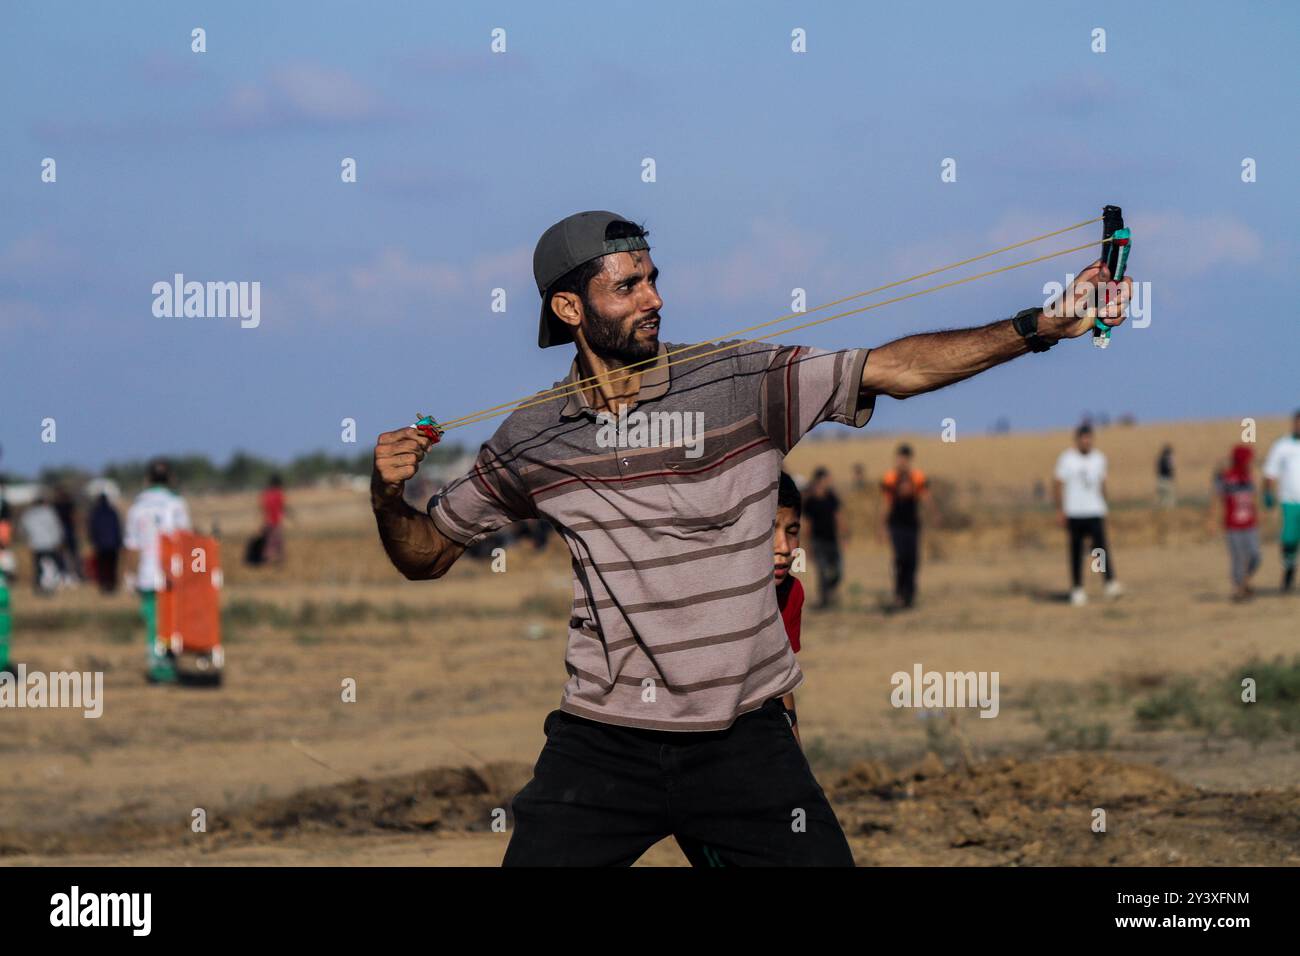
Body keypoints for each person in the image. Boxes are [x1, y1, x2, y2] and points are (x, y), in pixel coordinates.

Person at [370, 209, 1131, 867]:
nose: (654, 298)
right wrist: (386, 494)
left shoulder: (741, 380)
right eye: (628, 286)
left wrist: (1040, 327)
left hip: (743, 737)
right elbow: (425, 554)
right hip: (602, 743)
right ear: (570, 308)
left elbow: (895, 370)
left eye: (654, 278)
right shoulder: (535, 436)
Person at [124, 459, 191, 683]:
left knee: (154, 624)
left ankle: (158, 667)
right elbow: (186, 540)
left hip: (147, 574)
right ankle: (167, 668)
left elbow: (131, 546)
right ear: (170, 478)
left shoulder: (137, 509)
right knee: (172, 623)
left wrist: (129, 576)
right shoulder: (176, 505)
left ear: (147, 479)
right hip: (172, 575)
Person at [1054, 424, 1122, 606]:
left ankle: (1108, 583)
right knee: (1076, 551)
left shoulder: (1099, 458)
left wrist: (1105, 506)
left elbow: (1102, 484)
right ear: (1077, 439)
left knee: (1098, 549)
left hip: (1094, 510)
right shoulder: (1067, 459)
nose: (1086, 441)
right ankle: (1078, 588)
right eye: (1083, 438)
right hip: (1074, 512)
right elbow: (1058, 483)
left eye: (1089, 437)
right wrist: (1060, 509)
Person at [878, 444, 937, 610]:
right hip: (896, 525)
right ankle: (899, 594)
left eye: (905, 459)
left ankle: (909, 595)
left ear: (909, 460)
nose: (902, 462)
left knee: (912, 560)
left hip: (912, 525)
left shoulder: (917, 477)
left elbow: (926, 497)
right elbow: (886, 503)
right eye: (899, 458)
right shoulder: (890, 478)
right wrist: (882, 527)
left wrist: (934, 514)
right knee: (900, 558)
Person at [773, 472, 805, 747]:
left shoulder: (791, 594)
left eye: (791, 532)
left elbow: (782, 680)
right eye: (769, 530)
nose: (783, 548)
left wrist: (797, 758)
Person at [1211, 445, 1260, 602]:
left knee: (1255, 556)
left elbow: (1254, 498)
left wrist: (1259, 514)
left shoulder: (1249, 477)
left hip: (1250, 524)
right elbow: (1216, 498)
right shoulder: (1226, 478)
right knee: (1238, 558)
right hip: (1233, 525)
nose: (1250, 463)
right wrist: (1213, 520)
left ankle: (1245, 581)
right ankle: (1238, 589)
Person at [1262, 410, 1300, 593]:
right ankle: (1288, 572)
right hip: (1290, 501)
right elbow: (1270, 471)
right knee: (1289, 540)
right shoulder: (1282, 445)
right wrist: (1268, 494)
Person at [803, 468, 844, 610]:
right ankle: (824, 600)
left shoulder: (832, 497)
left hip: (832, 540)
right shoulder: (810, 501)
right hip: (817, 541)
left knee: (838, 571)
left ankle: (830, 591)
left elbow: (838, 516)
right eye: (827, 479)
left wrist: (843, 534)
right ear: (819, 480)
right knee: (822, 571)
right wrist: (808, 546)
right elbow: (807, 524)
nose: (829, 482)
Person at [19, 494, 65, 594]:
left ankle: (39, 586)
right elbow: (56, 527)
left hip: (36, 544)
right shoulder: (49, 512)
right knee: (51, 565)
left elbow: (22, 528)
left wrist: (27, 538)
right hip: (50, 543)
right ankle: (50, 586)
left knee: (38, 566)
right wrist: (59, 540)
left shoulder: (29, 514)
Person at [87, 492, 124, 594]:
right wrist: (119, 541)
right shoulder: (113, 511)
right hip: (113, 544)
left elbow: (92, 528)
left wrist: (93, 540)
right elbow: (117, 527)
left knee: (102, 566)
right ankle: (111, 586)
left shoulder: (95, 512)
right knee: (112, 566)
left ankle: (103, 586)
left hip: (100, 544)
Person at [52, 486, 82, 582]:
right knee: (70, 554)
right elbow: (75, 517)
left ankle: (67, 574)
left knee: (66, 554)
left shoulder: (58, 505)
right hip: (66, 531)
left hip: (63, 531)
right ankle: (70, 574)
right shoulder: (66, 504)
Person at [260, 474, 287, 565]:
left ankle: (274, 559)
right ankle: (276, 559)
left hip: (268, 521)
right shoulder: (279, 493)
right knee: (277, 541)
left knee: (270, 541)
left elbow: (264, 507)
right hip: (276, 521)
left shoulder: (266, 494)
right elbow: (282, 506)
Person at [1155, 444, 1176, 545]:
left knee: (1162, 501)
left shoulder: (1159, 459)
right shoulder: (1168, 459)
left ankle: (1162, 515)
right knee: (1168, 501)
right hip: (1167, 481)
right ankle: (1167, 518)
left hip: (1160, 481)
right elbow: (1171, 470)